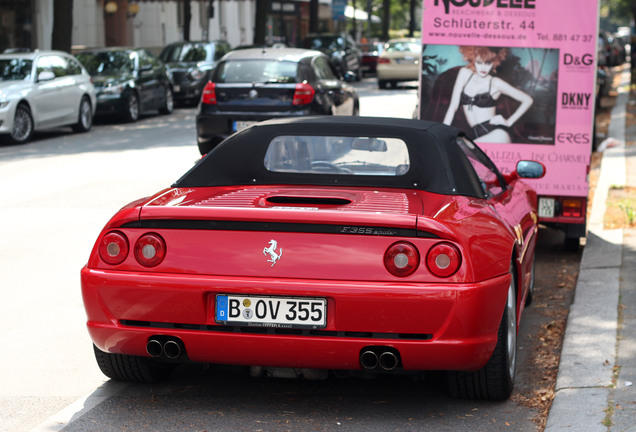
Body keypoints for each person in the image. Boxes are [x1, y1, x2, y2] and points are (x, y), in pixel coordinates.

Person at [443, 46, 533, 143]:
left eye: (488, 63)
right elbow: (453, 107)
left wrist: (508, 122)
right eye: (479, 62)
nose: (483, 67)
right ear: (473, 60)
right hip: (478, 135)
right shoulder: (464, 73)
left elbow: (528, 100)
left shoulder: (495, 83)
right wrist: (442, 132)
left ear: (494, 62)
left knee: (463, 148)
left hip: (497, 135)